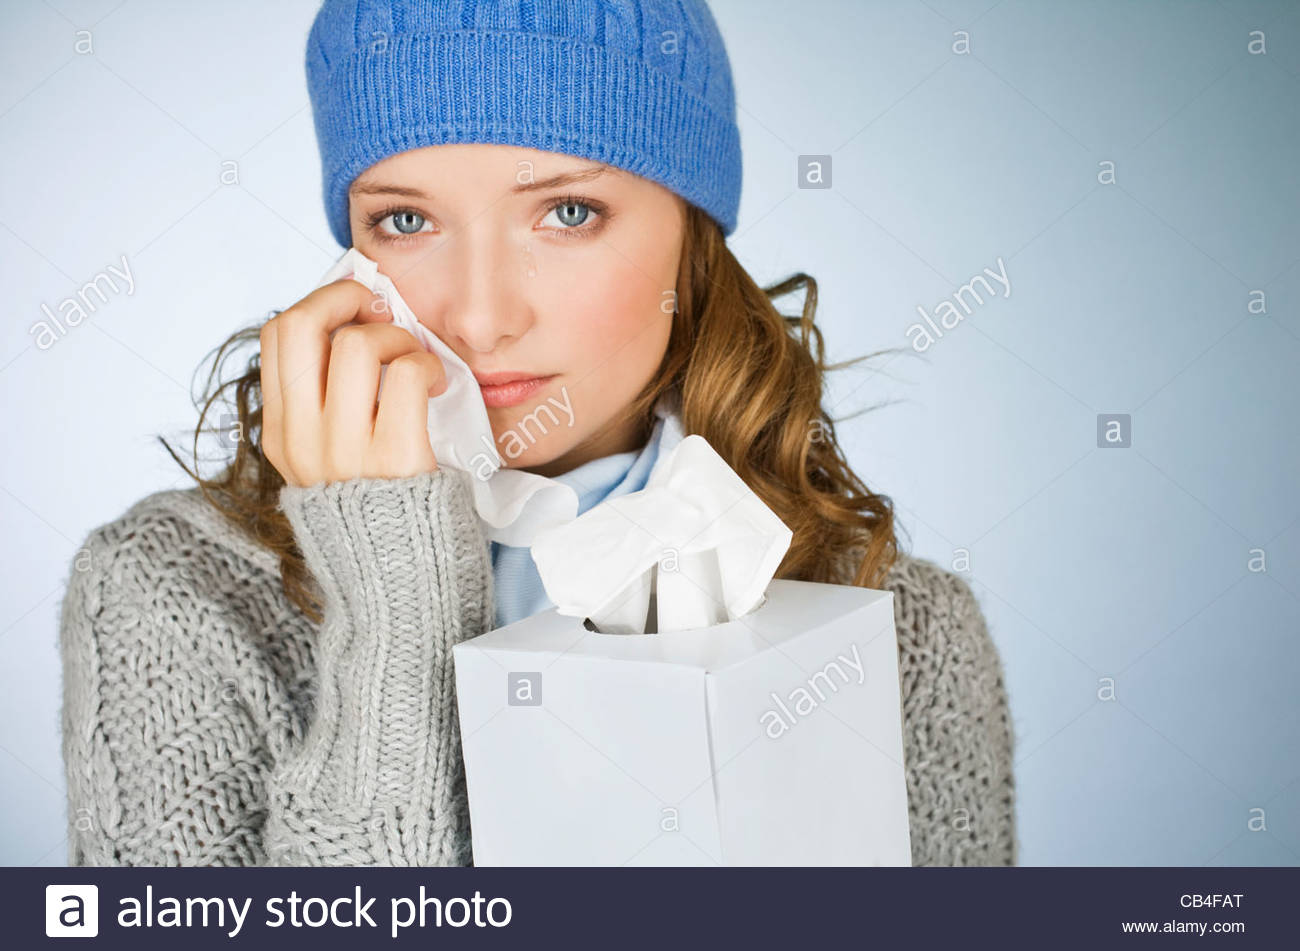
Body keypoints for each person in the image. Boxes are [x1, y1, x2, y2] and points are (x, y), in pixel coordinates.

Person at [57, 0, 1016, 866]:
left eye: (567, 213)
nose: (479, 319)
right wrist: (396, 606)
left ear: (693, 235)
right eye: (404, 219)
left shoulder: (899, 626)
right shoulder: (175, 588)